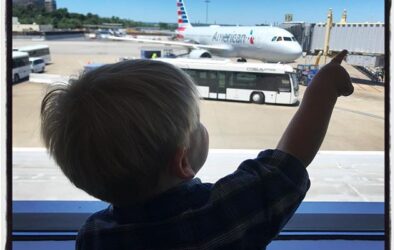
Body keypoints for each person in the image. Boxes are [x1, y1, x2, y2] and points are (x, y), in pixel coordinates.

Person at [40, 50, 353, 250]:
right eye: (196, 122)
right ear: (182, 160)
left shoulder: (93, 236)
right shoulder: (219, 215)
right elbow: (287, 164)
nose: (202, 126)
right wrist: (323, 88)